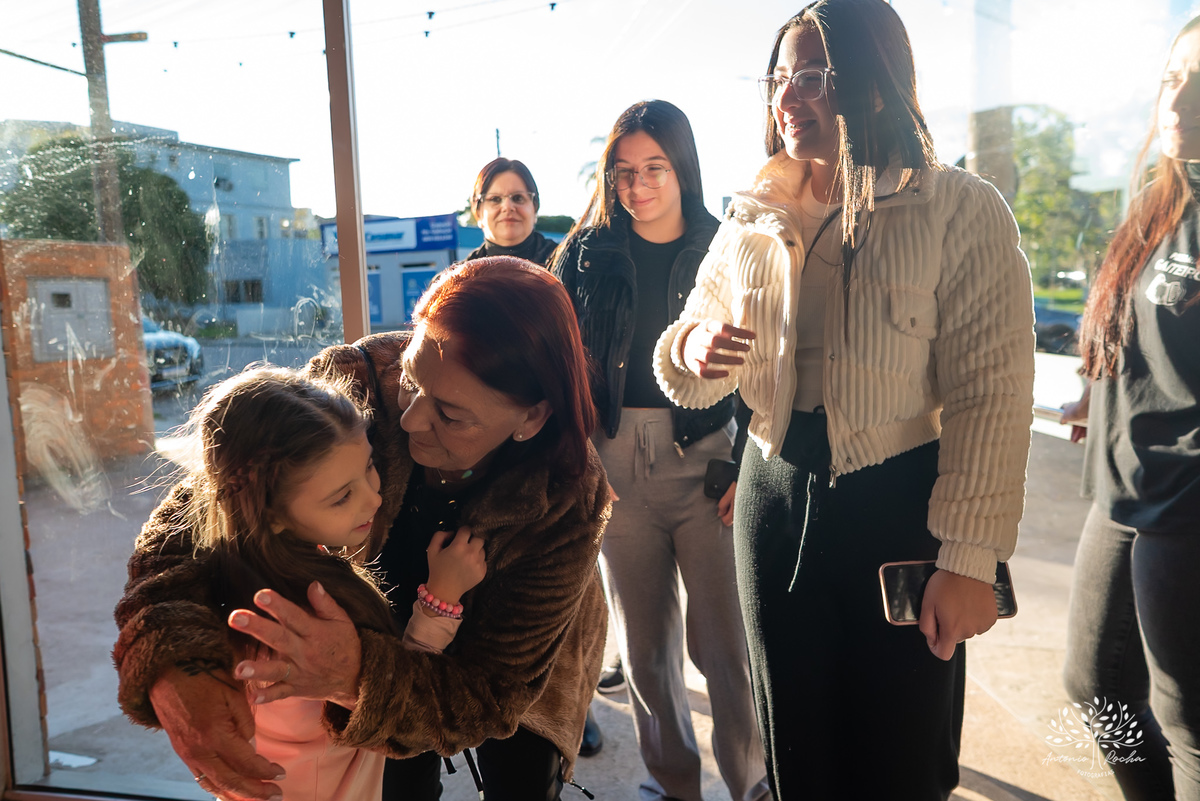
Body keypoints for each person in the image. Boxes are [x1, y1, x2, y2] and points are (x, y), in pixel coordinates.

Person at [653, 2, 1035, 798]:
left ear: (875, 80)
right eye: (780, 78)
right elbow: (688, 353)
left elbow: (991, 397)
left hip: (899, 506)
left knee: (901, 753)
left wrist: (969, 559)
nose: (790, 96)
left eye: (816, 76)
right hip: (770, 495)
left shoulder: (959, 208)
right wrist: (688, 346)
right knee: (795, 744)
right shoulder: (750, 217)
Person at [113, 256, 608, 801]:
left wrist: (358, 674)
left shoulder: (566, 497)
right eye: (412, 382)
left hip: (509, 659)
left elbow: (488, 695)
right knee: (397, 776)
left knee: (522, 780)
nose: (411, 419)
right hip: (374, 634)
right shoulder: (357, 380)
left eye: (450, 415)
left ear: (532, 418)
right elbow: (195, 525)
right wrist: (177, 666)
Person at [553, 99, 770, 801]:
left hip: (708, 460)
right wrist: (580, 460)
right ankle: (672, 782)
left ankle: (755, 782)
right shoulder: (585, 254)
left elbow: (764, 368)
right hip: (615, 465)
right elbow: (563, 363)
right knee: (644, 649)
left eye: (655, 167)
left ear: (683, 168)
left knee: (725, 650)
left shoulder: (728, 245)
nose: (638, 186)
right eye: (623, 171)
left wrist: (746, 467)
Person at [166, 365, 485, 800]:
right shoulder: (296, 612)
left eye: (369, 468)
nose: (374, 497)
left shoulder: (233, 572)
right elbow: (391, 700)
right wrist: (441, 599)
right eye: (341, 496)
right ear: (271, 513)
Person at [1058, 17, 1200, 800]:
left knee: (1192, 724)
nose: (1179, 92)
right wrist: (1099, 389)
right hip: (1119, 494)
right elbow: (1143, 332)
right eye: (1173, 73)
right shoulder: (1160, 203)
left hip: (1184, 505)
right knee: (1095, 686)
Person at [464, 158, 558, 264]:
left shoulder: (573, 266)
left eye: (518, 198)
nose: (508, 207)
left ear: (535, 209)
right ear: (478, 213)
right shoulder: (459, 278)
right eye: (495, 199)